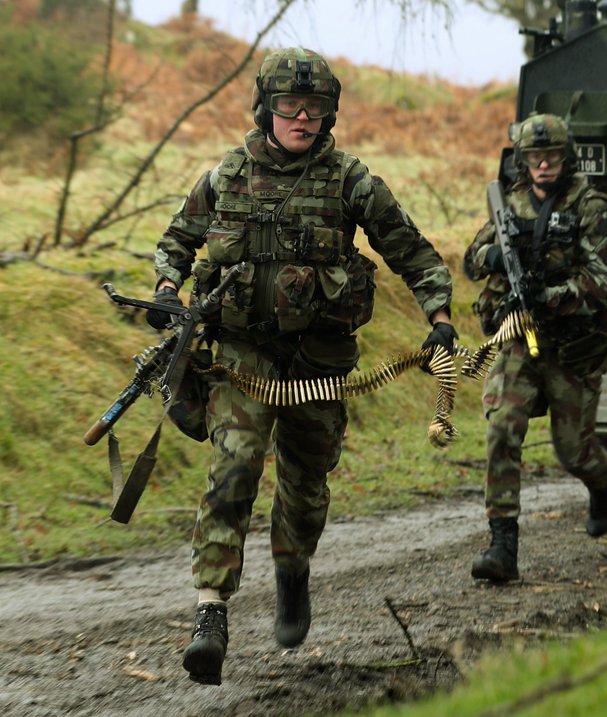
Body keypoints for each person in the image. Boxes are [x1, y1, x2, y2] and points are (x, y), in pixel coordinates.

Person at [146, 48, 456, 685]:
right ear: (265, 108)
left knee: (305, 489)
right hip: (240, 358)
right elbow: (176, 241)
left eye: (316, 108)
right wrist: (165, 291)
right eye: (290, 106)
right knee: (232, 470)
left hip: (319, 360)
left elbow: (412, 250)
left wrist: (441, 316)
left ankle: (292, 568)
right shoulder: (225, 176)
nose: (303, 118)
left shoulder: (350, 182)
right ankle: (211, 613)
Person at [462, 113, 607, 583]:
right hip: (518, 337)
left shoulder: (590, 206)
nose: (544, 165)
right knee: (502, 427)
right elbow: (472, 260)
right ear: (523, 161)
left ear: (566, 157)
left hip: (572, 344)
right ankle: (502, 546)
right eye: (535, 157)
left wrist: (551, 296)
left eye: (552, 156)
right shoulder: (509, 203)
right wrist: (491, 255)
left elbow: (602, 282)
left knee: (573, 452)